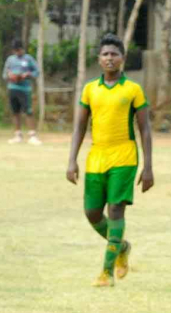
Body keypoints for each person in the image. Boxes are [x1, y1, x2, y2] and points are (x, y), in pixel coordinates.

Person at [66, 34, 155, 288]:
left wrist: (148, 167)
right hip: (97, 156)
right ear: (99, 59)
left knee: (115, 209)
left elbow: (145, 129)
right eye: (105, 54)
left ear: (122, 58)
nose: (109, 58)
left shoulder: (133, 90)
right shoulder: (89, 89)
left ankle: (107, 273)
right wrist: (72, 161)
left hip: (124, 156)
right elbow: (79, 127)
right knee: (92, 212)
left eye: (114, 54)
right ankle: (122, 247)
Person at [2, 39, 42, 145]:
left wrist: (28, 75)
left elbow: (37, 72)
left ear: (22, 49)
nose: (17, 52)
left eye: (18, 50)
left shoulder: (28, 59)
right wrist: (10, 76)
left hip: (25, 89)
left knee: (28, 111)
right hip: (13, 87)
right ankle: (17, 135)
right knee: (15, 112)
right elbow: (4, 74)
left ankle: (32, 135)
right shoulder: (10, 60)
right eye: (15, 50)